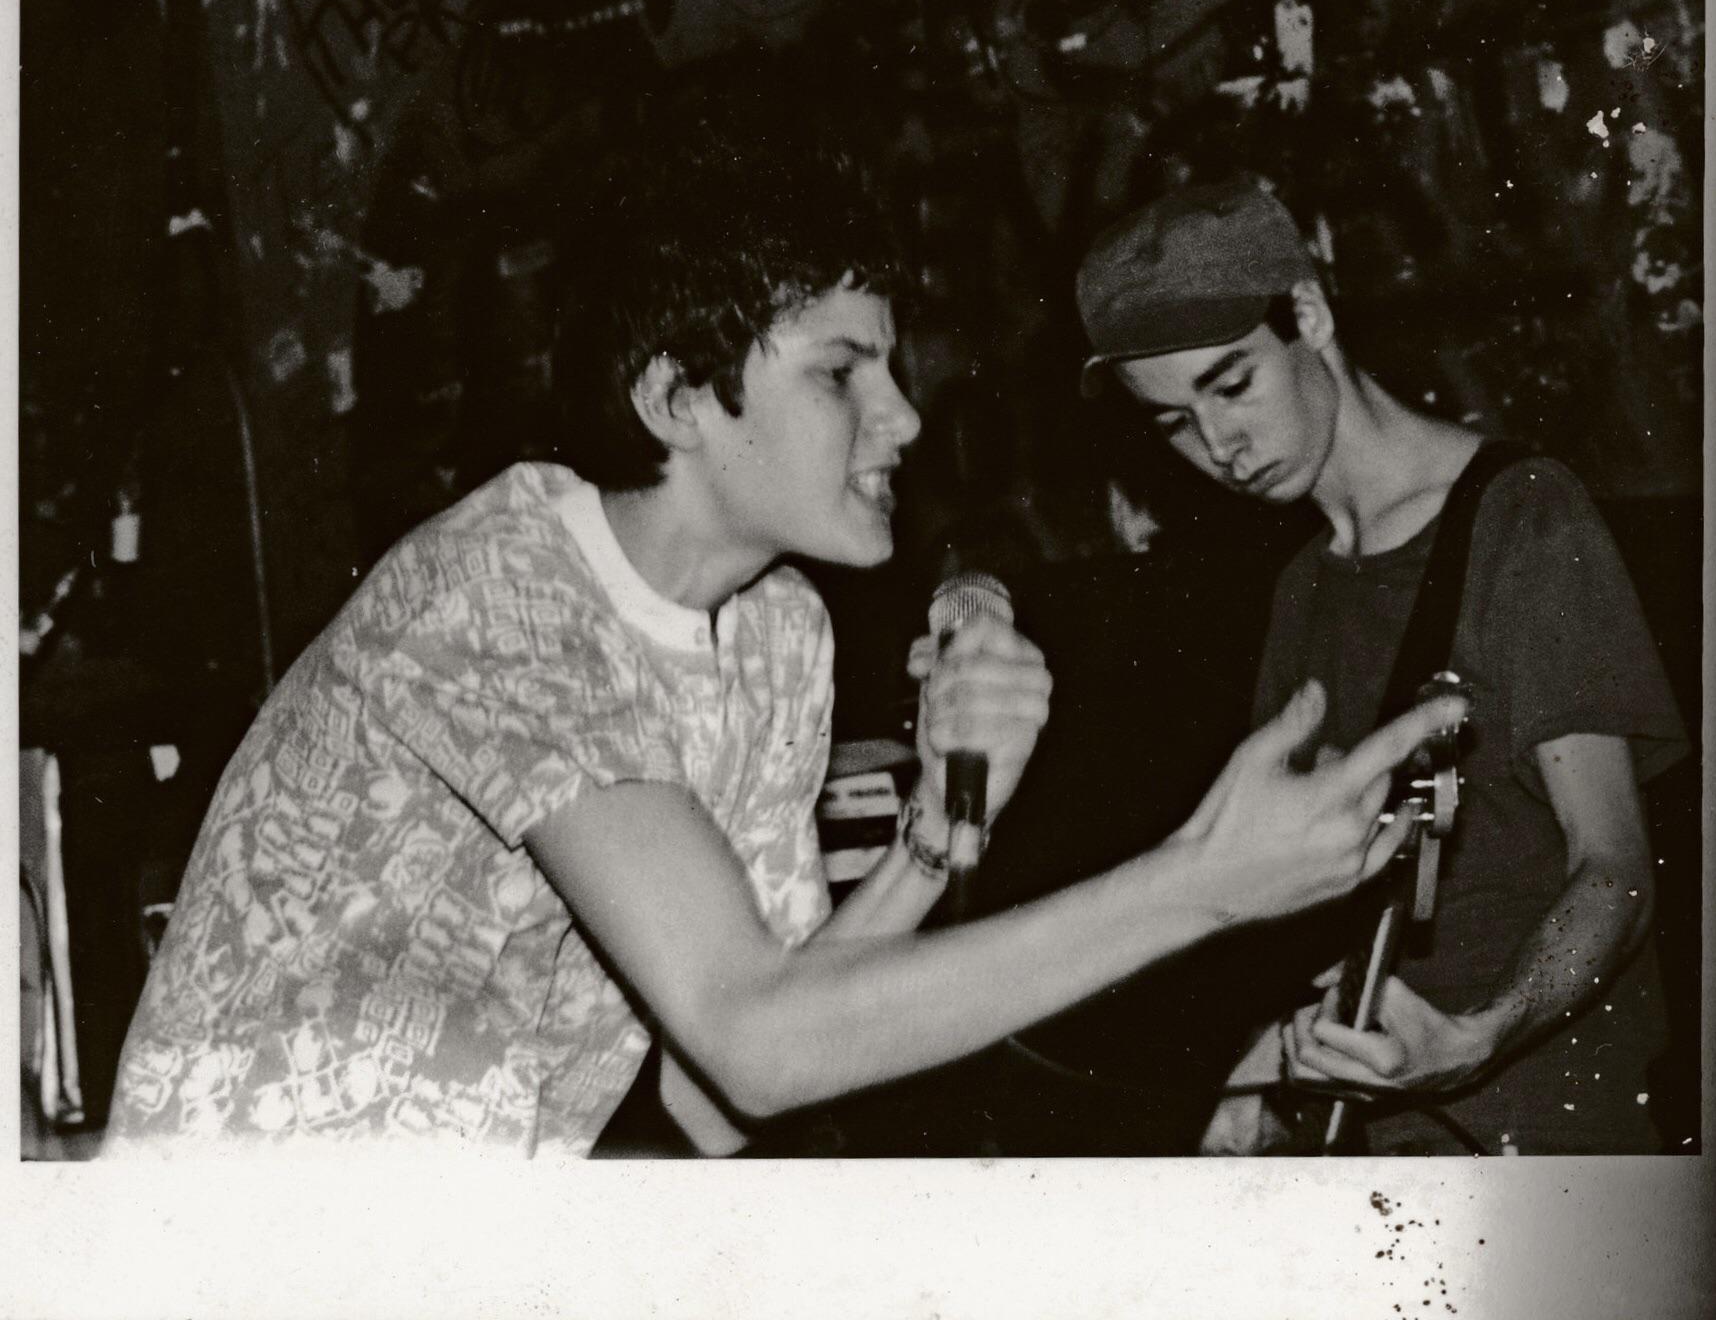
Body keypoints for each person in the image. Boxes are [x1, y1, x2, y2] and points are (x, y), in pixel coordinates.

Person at [104, 129, 1460, 1161]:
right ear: (680, 399)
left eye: (894, 367)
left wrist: (941, 828)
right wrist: (1201, 883)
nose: (904, 420)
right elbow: (758, 1046)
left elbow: (728, 1076)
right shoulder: (497, 596)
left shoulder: (773, 636)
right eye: (839, 373)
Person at [1076, 175, 1688, 1154]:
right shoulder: (1302, 587)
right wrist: (1255, 1076)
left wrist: (1482, 1037)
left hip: (1546, 1136)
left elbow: (1614, 872)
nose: (1220, 446)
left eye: (1232, 386)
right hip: (1373, 1136)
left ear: (1309, 315)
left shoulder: (1523, 519)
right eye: (1173, 424)